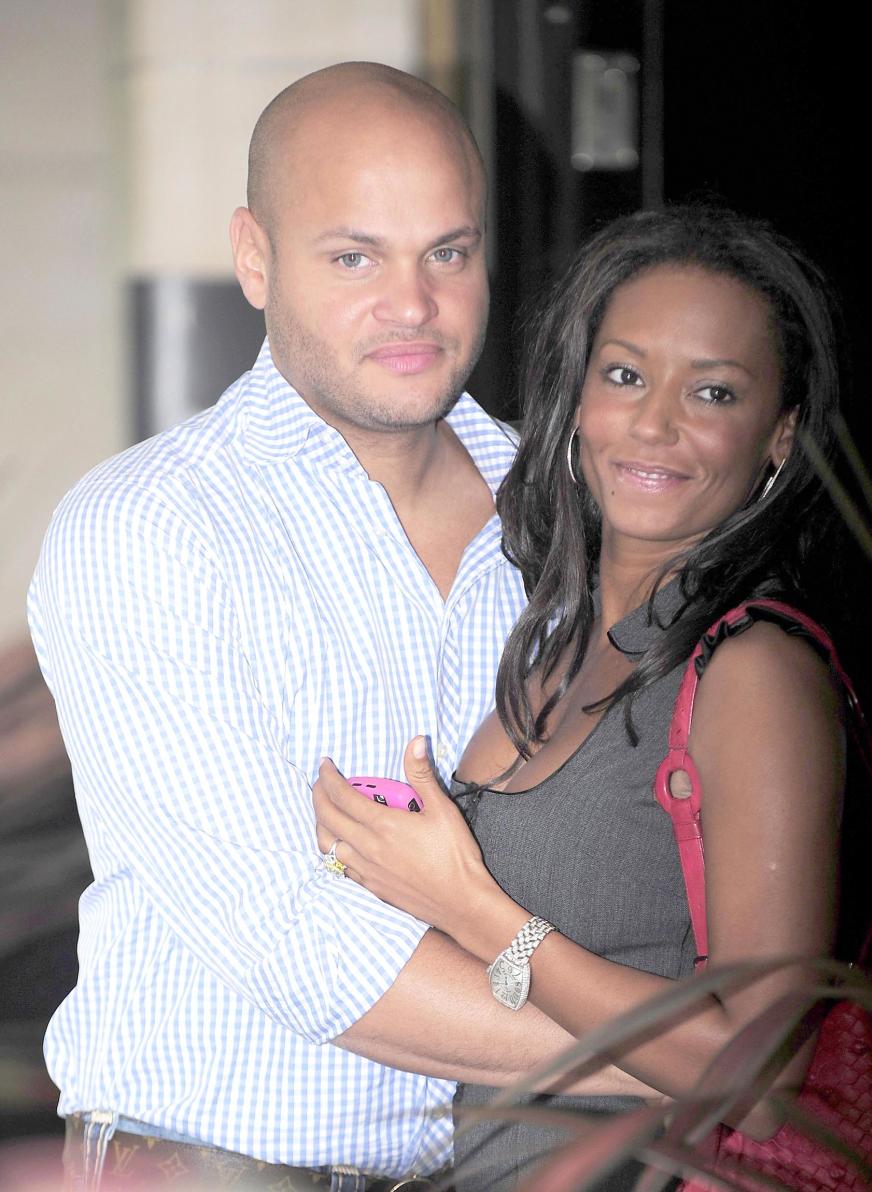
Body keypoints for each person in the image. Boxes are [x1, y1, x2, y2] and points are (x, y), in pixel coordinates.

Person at [28, 63, 643, 1192]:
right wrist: (689, 1057)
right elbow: (297, 946)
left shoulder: (572, 521)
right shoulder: (152, 529)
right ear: (254, 257)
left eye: (447, 254)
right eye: (354, 256)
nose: (412, 307)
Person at [314, 205, 872, 1189]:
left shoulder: (755, 670)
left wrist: (472, 906)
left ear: (780, 433)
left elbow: (756, 1071)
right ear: (577, 397)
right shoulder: (556, 647)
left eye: (713, 391)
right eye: (627, 375)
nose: (654, 423)